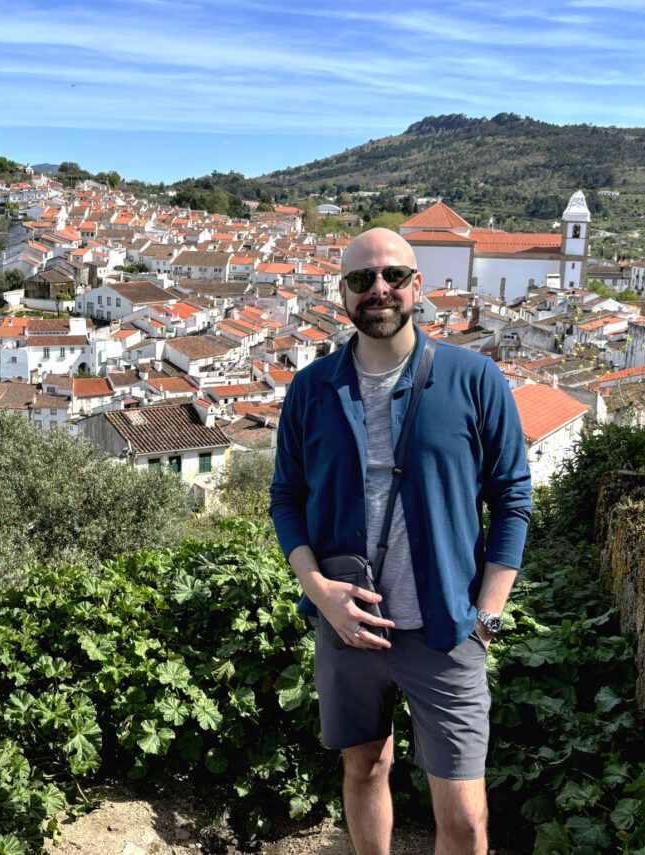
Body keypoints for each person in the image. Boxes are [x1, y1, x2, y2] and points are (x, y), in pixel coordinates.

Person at [269, 228, 531, 855]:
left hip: (447, 631)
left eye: (392, 276)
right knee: (364, 770)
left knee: (466, 822)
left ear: (418, 286)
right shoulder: (313, 389)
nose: (378, 290)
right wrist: (320, 593)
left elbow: (513, 500)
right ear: (342, 294)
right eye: (362, 280)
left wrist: (486, 619)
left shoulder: (475, 378)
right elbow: (286, 500)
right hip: (348, 629)